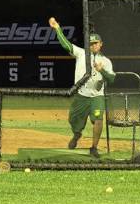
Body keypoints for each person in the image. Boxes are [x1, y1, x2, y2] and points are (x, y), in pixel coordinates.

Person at [49, 17, 115, 159]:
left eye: (96, 43)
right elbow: (66, 45)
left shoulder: (106, 61)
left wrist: (101, 70)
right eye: (91, 43)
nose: (93, 45)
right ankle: (77, 134)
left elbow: (112, 79)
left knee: (98, 119)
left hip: (97, 97)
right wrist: (57, 29)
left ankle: (94, 147)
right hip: (81, 96)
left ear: (101, 44)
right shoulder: (81, 53)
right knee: (74, 120)